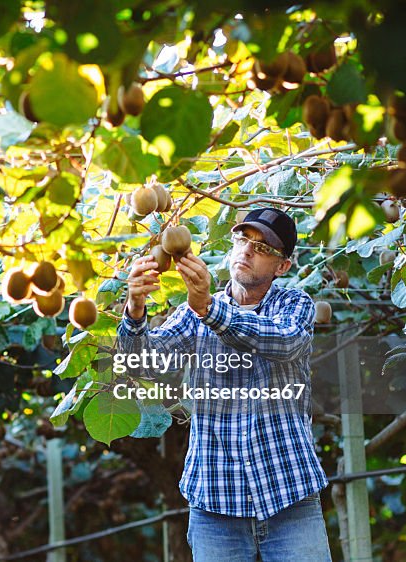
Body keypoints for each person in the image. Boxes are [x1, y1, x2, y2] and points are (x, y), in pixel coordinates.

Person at [116, 207, 332, 561]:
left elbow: (284, 342)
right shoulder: (194, 313)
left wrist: (207, 309)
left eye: (262, 248)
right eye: (243, 240)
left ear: (282, 267)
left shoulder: (293, 304)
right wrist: (135, 309)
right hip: (216, 504)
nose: (246, 251)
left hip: (289, 497)